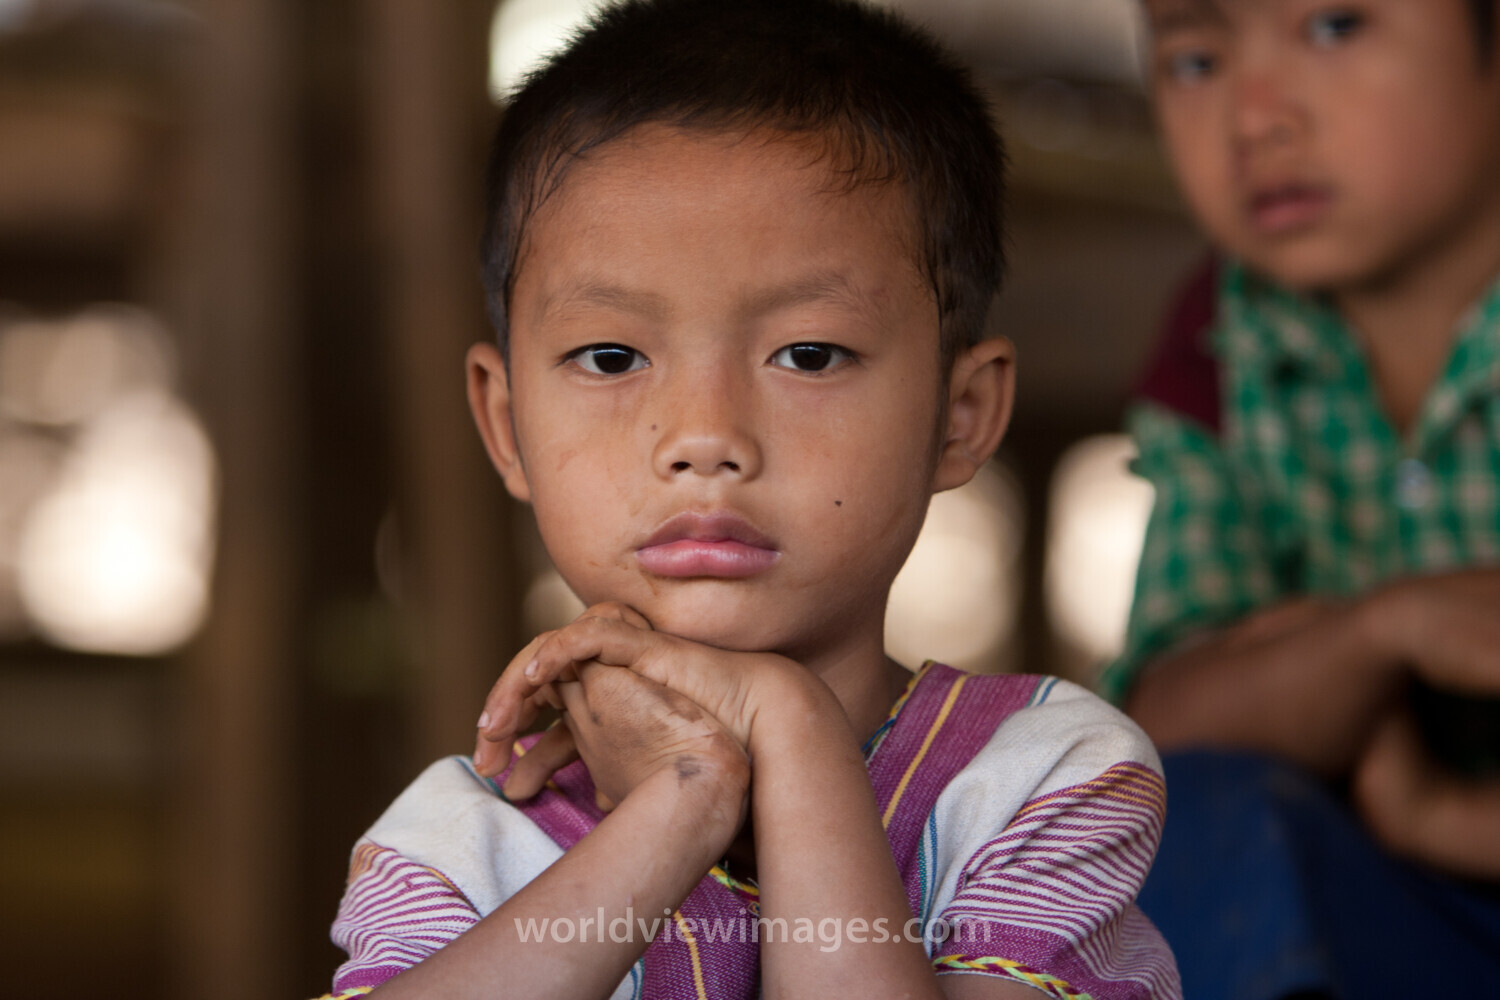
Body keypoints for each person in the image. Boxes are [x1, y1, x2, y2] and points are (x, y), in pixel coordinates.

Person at [318, 1, 1182, 998]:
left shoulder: (1039, 780)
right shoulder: (457, 845)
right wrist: (679, 805)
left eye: (808, 354)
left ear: (961, 414)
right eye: (611, 356)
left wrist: (791, 729)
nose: (704, 437)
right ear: (507, 426)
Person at [1103, 0, 1500, 996]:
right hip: (1397, 916)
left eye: (1333, 28)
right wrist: (1382, 632)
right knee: (1191, 814)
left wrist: (1452, 820)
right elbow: (1168, 719)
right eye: (1196, 60)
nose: (1255, 118)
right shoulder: (1217, 343)